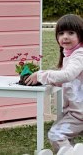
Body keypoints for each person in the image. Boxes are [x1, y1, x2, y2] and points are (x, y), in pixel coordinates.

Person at [25, 14, 83, 152]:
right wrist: (53, 82)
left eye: (71, 33)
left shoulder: (79, 55)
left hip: (79, 112)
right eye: (61, 33)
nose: (65, 37)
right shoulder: (70, 55)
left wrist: (41, 75)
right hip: (75, 111)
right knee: (62, 136)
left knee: (56, 134)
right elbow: (72, 81)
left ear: (80, 35)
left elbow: (68, 75)